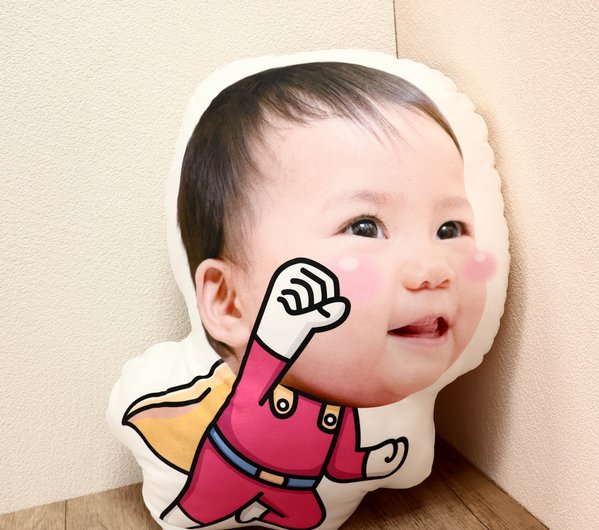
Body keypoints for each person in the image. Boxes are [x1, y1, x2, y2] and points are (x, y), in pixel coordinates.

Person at [129, 62, 490, 529]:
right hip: (231, 470)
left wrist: (371, 462)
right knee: (195, 511)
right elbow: (255, 390)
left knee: (309, 514)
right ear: (230, 302)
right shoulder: (254, 391)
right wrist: (276, 336)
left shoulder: (343, 402)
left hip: (296, 491)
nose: (434, 271)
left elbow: (340, 457)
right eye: (365, 227)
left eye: (449, 228)